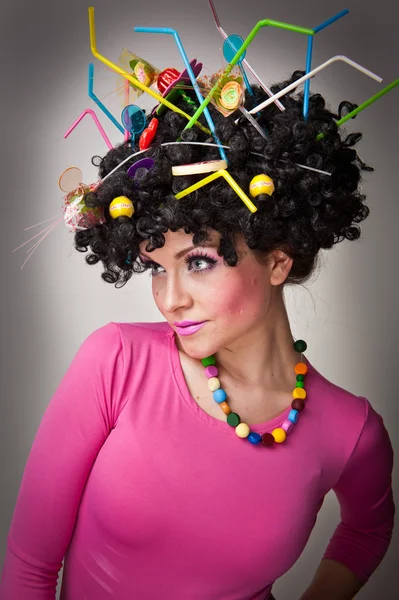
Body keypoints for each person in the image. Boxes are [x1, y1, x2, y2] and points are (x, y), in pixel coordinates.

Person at [0, 65, 395, 600]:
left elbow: (367, 529)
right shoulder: (116, 362)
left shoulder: (351, 433)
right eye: (158, 266)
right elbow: (28, 566)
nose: (170, 298)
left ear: (278, 260)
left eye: (201, 262)